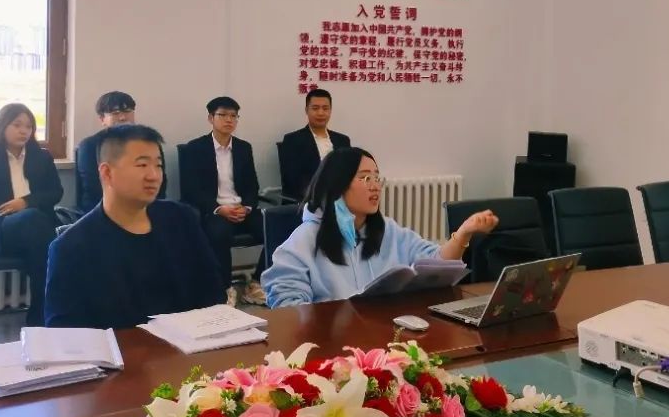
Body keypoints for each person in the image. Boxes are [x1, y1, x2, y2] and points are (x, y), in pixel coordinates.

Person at [262, 147, 498, 307]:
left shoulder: (388, 230)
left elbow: (437, 262)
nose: (375, 186)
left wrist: (463, 234)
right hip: (332, 347)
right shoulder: (305, 238)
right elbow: (287, 304)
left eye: (377, 178)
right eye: (365, 178)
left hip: (386, 338)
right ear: (338, 184)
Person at [45, 124, 224, 329]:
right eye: (142, 165)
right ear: (107, 173)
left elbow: (213, 291)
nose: (154, 175)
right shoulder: (71, 247)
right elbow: (64, 331)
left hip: (190, 343)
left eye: (158, 165)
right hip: (120, 348)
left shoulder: (182, 219)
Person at [0, 103, 62, 326]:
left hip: (36, 230)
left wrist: (25, 202)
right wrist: (12, 210)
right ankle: (44, 315)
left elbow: (56, 192)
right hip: (0, 228)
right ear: (2, 127)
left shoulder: (42, 158)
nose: (24, 131)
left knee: (38, 232)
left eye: (29, 126)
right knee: (39, 229)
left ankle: (40, 315)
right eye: (17, 125)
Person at [179, 96, 264, 286]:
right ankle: (224, 288)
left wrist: (247, 207)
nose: (229, 120)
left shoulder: (243, 148)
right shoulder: (195, 149)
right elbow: (191, 190)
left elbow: (252, 186)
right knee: (219, 233)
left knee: (275, 227)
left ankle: (257, 282)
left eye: (233, 116)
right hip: (214, 211)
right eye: (223, 115)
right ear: (211, 118)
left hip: (241, 209)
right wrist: (219, 209)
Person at [75, 91, 167, 212]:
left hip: (147, 209)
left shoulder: (149, 142)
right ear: (102, 119)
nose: (123, 117)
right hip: (103, 210)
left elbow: (161, 186)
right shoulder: (89, 146)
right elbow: (93, 188)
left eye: (128, 111)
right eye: (115, 113)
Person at [279, 89, 351, 200]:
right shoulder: (292, 140)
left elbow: (349, 173)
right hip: (308, 200)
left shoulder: (342, 140)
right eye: (315, 108)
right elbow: (292, 179)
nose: (320, 113)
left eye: (325, 108)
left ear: (330, 111)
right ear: (306, 110)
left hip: (340, 199)